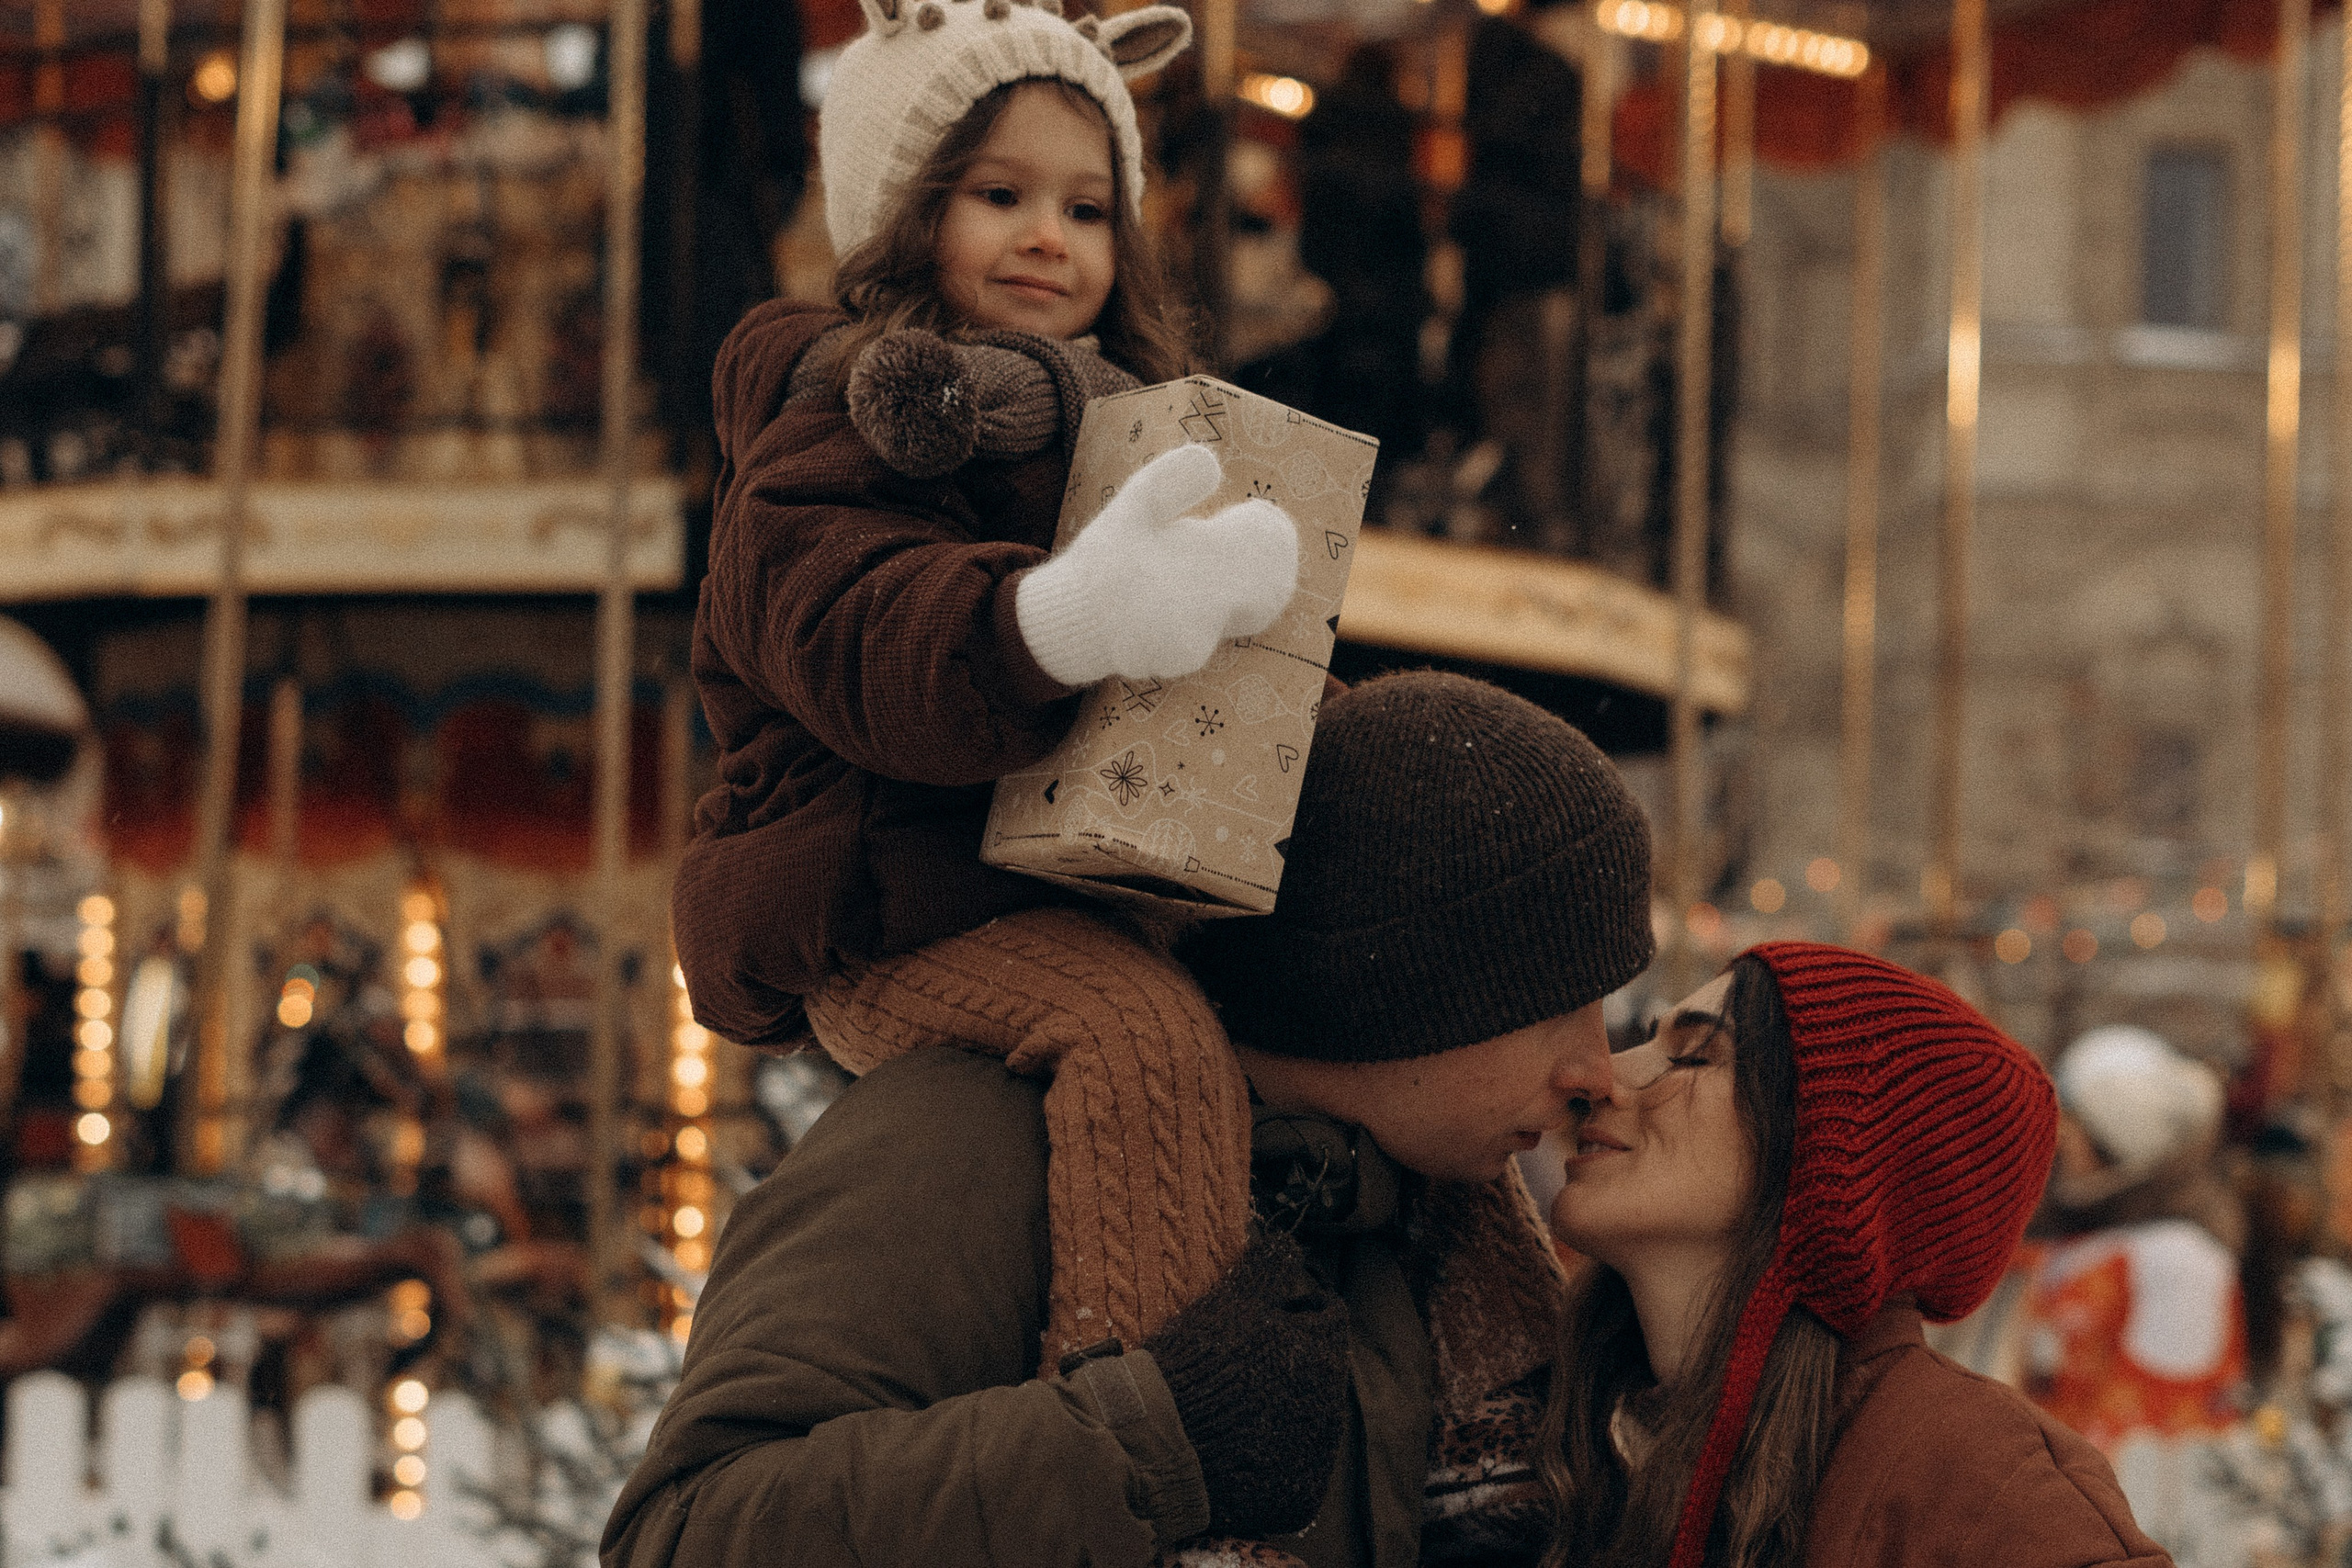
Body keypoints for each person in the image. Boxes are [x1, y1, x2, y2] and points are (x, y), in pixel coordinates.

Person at [604, 671, 1657, 1568]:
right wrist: (1139, 1444)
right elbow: (685, 1534)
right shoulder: (975, 1136)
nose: (1594, 1072)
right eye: (1552, 1002)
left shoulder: (1404, 1232)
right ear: (1392, 989)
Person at [669, 0, 1303, 1371]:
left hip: (1083, 874)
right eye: (998, 196)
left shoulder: (1127, 420)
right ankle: (1144, 1412)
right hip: (881, 901)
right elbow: (860, 635)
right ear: (903, 214)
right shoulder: (833, 420)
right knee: (1140, 1040)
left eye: (1087, 209)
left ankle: (1495, 1385)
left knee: (1373, 987)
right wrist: (1055, 620)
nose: (1047, 238)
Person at [1541, 942, 2172, 1568]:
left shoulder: (1992, 1493)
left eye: (1693, 1055)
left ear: (1831, 1157)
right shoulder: (1562, 1429)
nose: (1604, 1077)